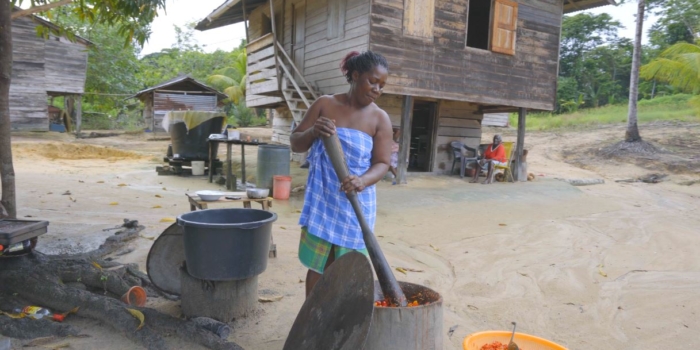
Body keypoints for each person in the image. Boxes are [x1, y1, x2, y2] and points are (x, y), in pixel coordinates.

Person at [289, 51, 393, 297]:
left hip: (356, 202)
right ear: (356, 75)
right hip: (324, 200)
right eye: (372, 81)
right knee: (320, 266)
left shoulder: (380, 118)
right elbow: (296, 143)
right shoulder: (325, 104)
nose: (377, 89)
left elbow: (382, 163)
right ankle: (312, 319)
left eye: (382, 85)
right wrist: (314, 131)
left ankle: (339, 320)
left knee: (346, 268)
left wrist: (362, 180)